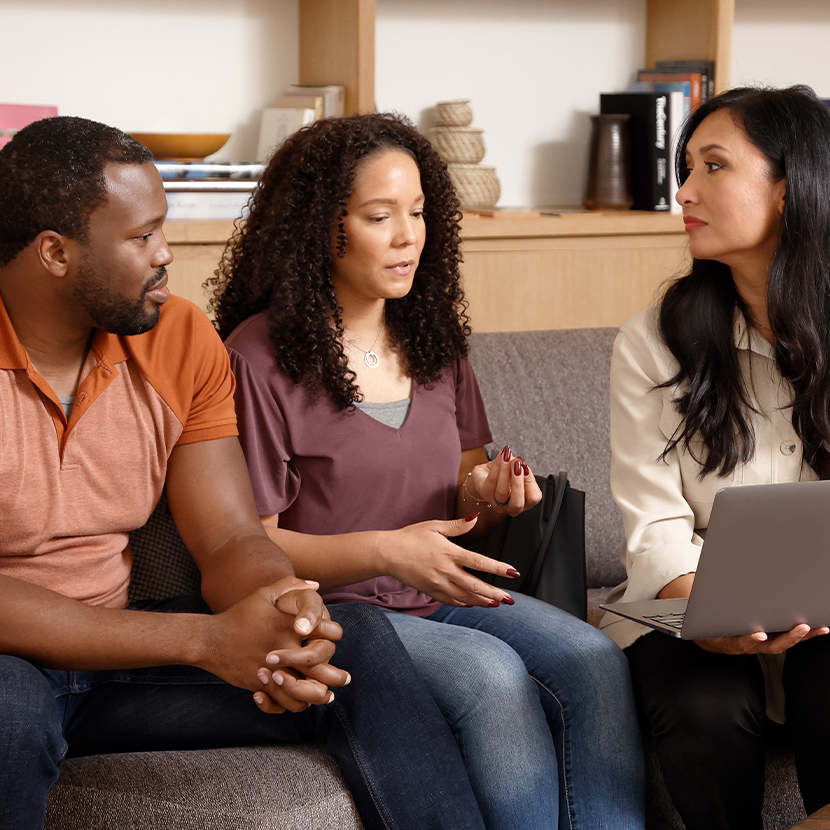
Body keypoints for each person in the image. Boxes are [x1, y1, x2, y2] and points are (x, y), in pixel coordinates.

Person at [0, 115, 492, 830]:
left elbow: (231, 535)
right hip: (15, 667)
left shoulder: (177, 336)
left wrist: (282, 611)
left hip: (121, 665)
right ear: (55, 253)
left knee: (361, 646)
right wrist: (206, 641)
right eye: (141, 237)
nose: (165, 254)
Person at [208, 111, 645, 830]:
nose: (409, 234)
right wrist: (388, 551)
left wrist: (494, 495)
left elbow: (466, 487)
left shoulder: (433, 338)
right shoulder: (257, 358)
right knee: (492, 676)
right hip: (345, 614)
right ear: (324, 226)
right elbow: (250, 544)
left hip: (443, 593)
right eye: (381, 216)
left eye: (418, 212)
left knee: (592, 656)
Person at [599, 85, 830, 830]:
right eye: (686, 166)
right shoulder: (653, 342)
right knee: (704, 698)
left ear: (791, 188)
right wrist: (715, 613)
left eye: (713, 166)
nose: (685, 191)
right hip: (688, 617)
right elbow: (654, 526)